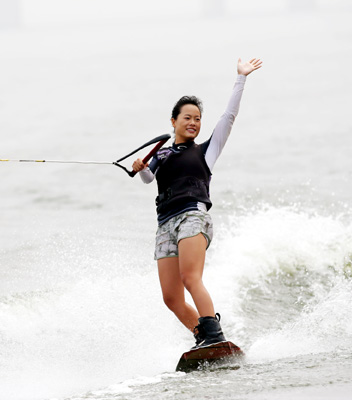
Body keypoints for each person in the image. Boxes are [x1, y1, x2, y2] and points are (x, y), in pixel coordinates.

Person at [132, 58, 262, 348]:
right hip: (165, 224)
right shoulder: (161, 155)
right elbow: (147, 179)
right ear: (173, 121)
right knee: (171, 298)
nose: (193, 123)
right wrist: (141, 166)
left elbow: (228, 116)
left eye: (197, 118)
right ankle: (203, 338)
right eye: (187, 117)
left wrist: (241, 78)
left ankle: (215, 336)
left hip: (193, 216)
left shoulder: (206, 151)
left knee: (190, 278)